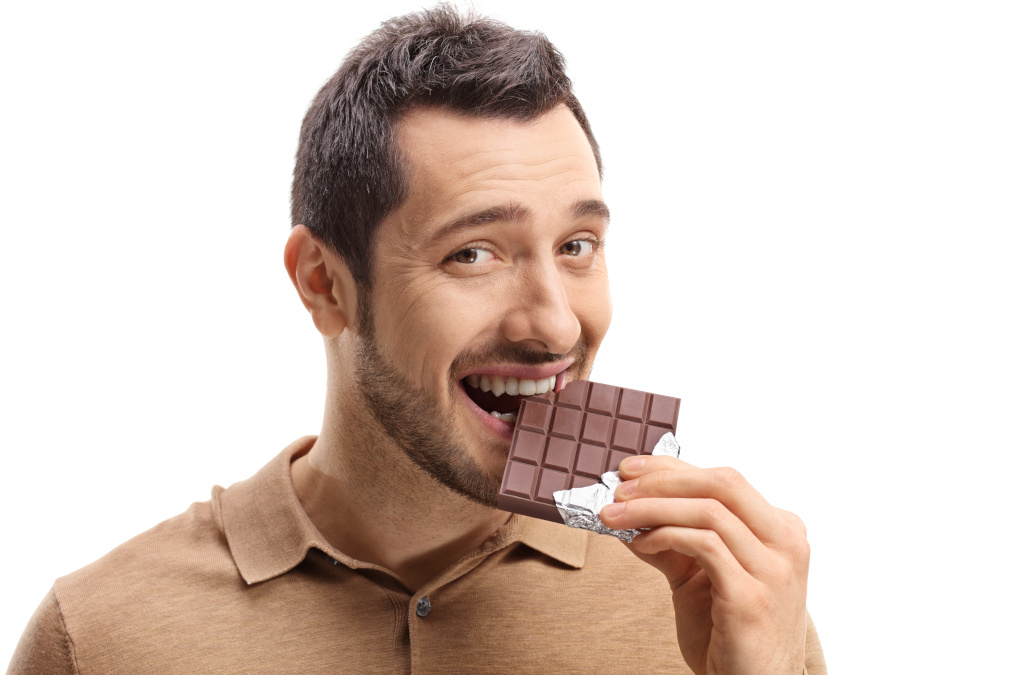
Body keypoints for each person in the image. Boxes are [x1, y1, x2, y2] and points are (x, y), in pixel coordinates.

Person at [8, 6, 825, 674]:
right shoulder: (101, 638)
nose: (555, 323)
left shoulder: (722, 599)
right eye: (473, 253)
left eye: (576, 246)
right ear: (323, 283)